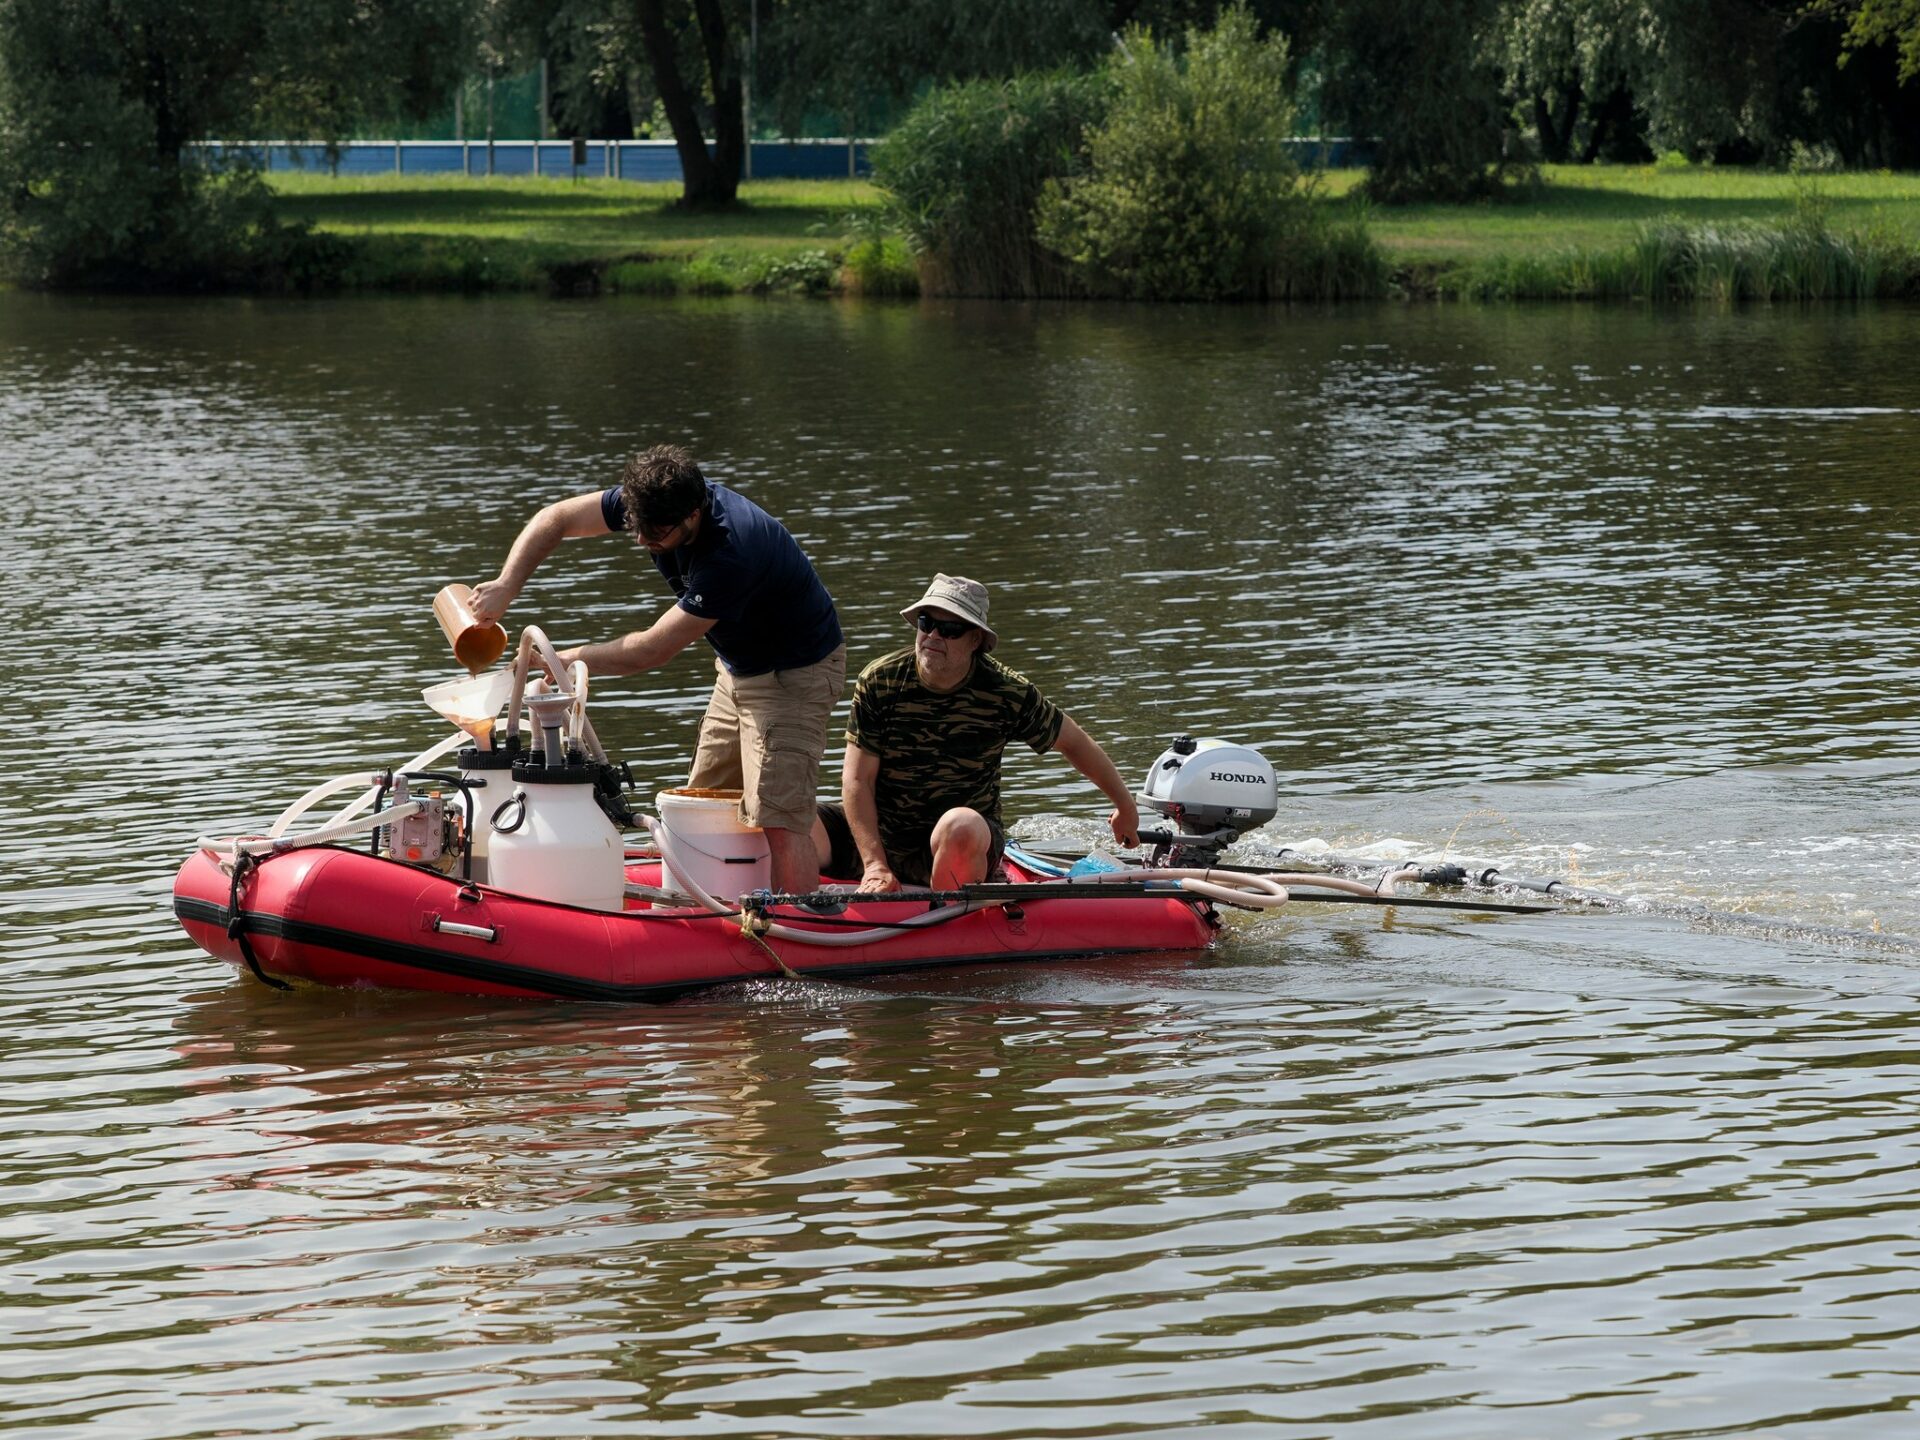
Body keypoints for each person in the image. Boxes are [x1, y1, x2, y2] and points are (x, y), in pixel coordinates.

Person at [470, 444, 846, 892]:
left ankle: (796, 925)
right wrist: (508, 583)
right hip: (738, 670)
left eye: (657, 533)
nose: (643, 540)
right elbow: (559, 518)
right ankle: (714, 909)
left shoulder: (732, 551)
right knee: (702, 803)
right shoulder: (652, 502)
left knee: (780, 820)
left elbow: (652, 650)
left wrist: (569, 659)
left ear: (693, 513)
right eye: (635, 526)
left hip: (794, 675)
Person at [813, 573, 1139, 893]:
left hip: (958, 841)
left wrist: (1125, 807)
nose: (934, 635)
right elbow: (857, 780)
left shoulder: (1007, 692)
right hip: (881, 838)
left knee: (960, 825)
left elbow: (1073, 742)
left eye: (951, 628)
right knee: (787, 817)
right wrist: (874, 865)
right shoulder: (879, 681)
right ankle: (777, 920)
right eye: (927, 622)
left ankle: (949, 913)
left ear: (975, 641)